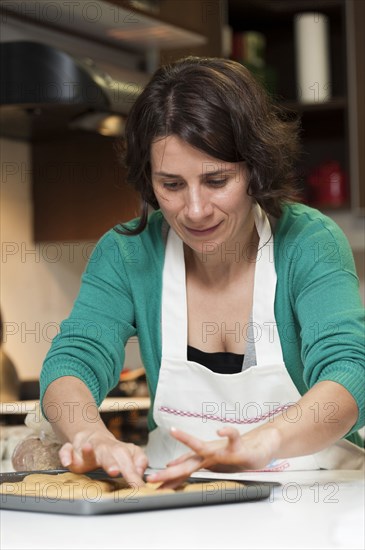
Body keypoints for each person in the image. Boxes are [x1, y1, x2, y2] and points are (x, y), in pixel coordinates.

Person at [40, 56, 365, 489]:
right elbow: (72, 361)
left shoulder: (309, 242)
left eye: (216, 180)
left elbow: (349, 370)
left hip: (312, 492)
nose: (194, 210)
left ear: (255, 168)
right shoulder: (127, 252)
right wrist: (91, 437)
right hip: (177, 499)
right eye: (172, 185)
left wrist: (264, 442)